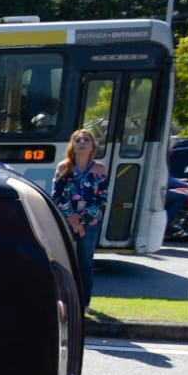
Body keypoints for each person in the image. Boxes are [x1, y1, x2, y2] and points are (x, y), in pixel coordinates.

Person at [51, 128, 109, 308]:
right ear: (73, 146)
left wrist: (82, 222)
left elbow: (102, 198)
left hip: (90, 223)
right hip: (67, 221)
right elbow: (58, 196)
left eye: (86, 140)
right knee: (63, 261)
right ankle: (63, 299)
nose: (82, 143)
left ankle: (84, 302)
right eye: (78, 141)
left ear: (92, 146)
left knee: (85, 262)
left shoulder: (100, 169)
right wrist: (73, 219)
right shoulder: (64, 167)